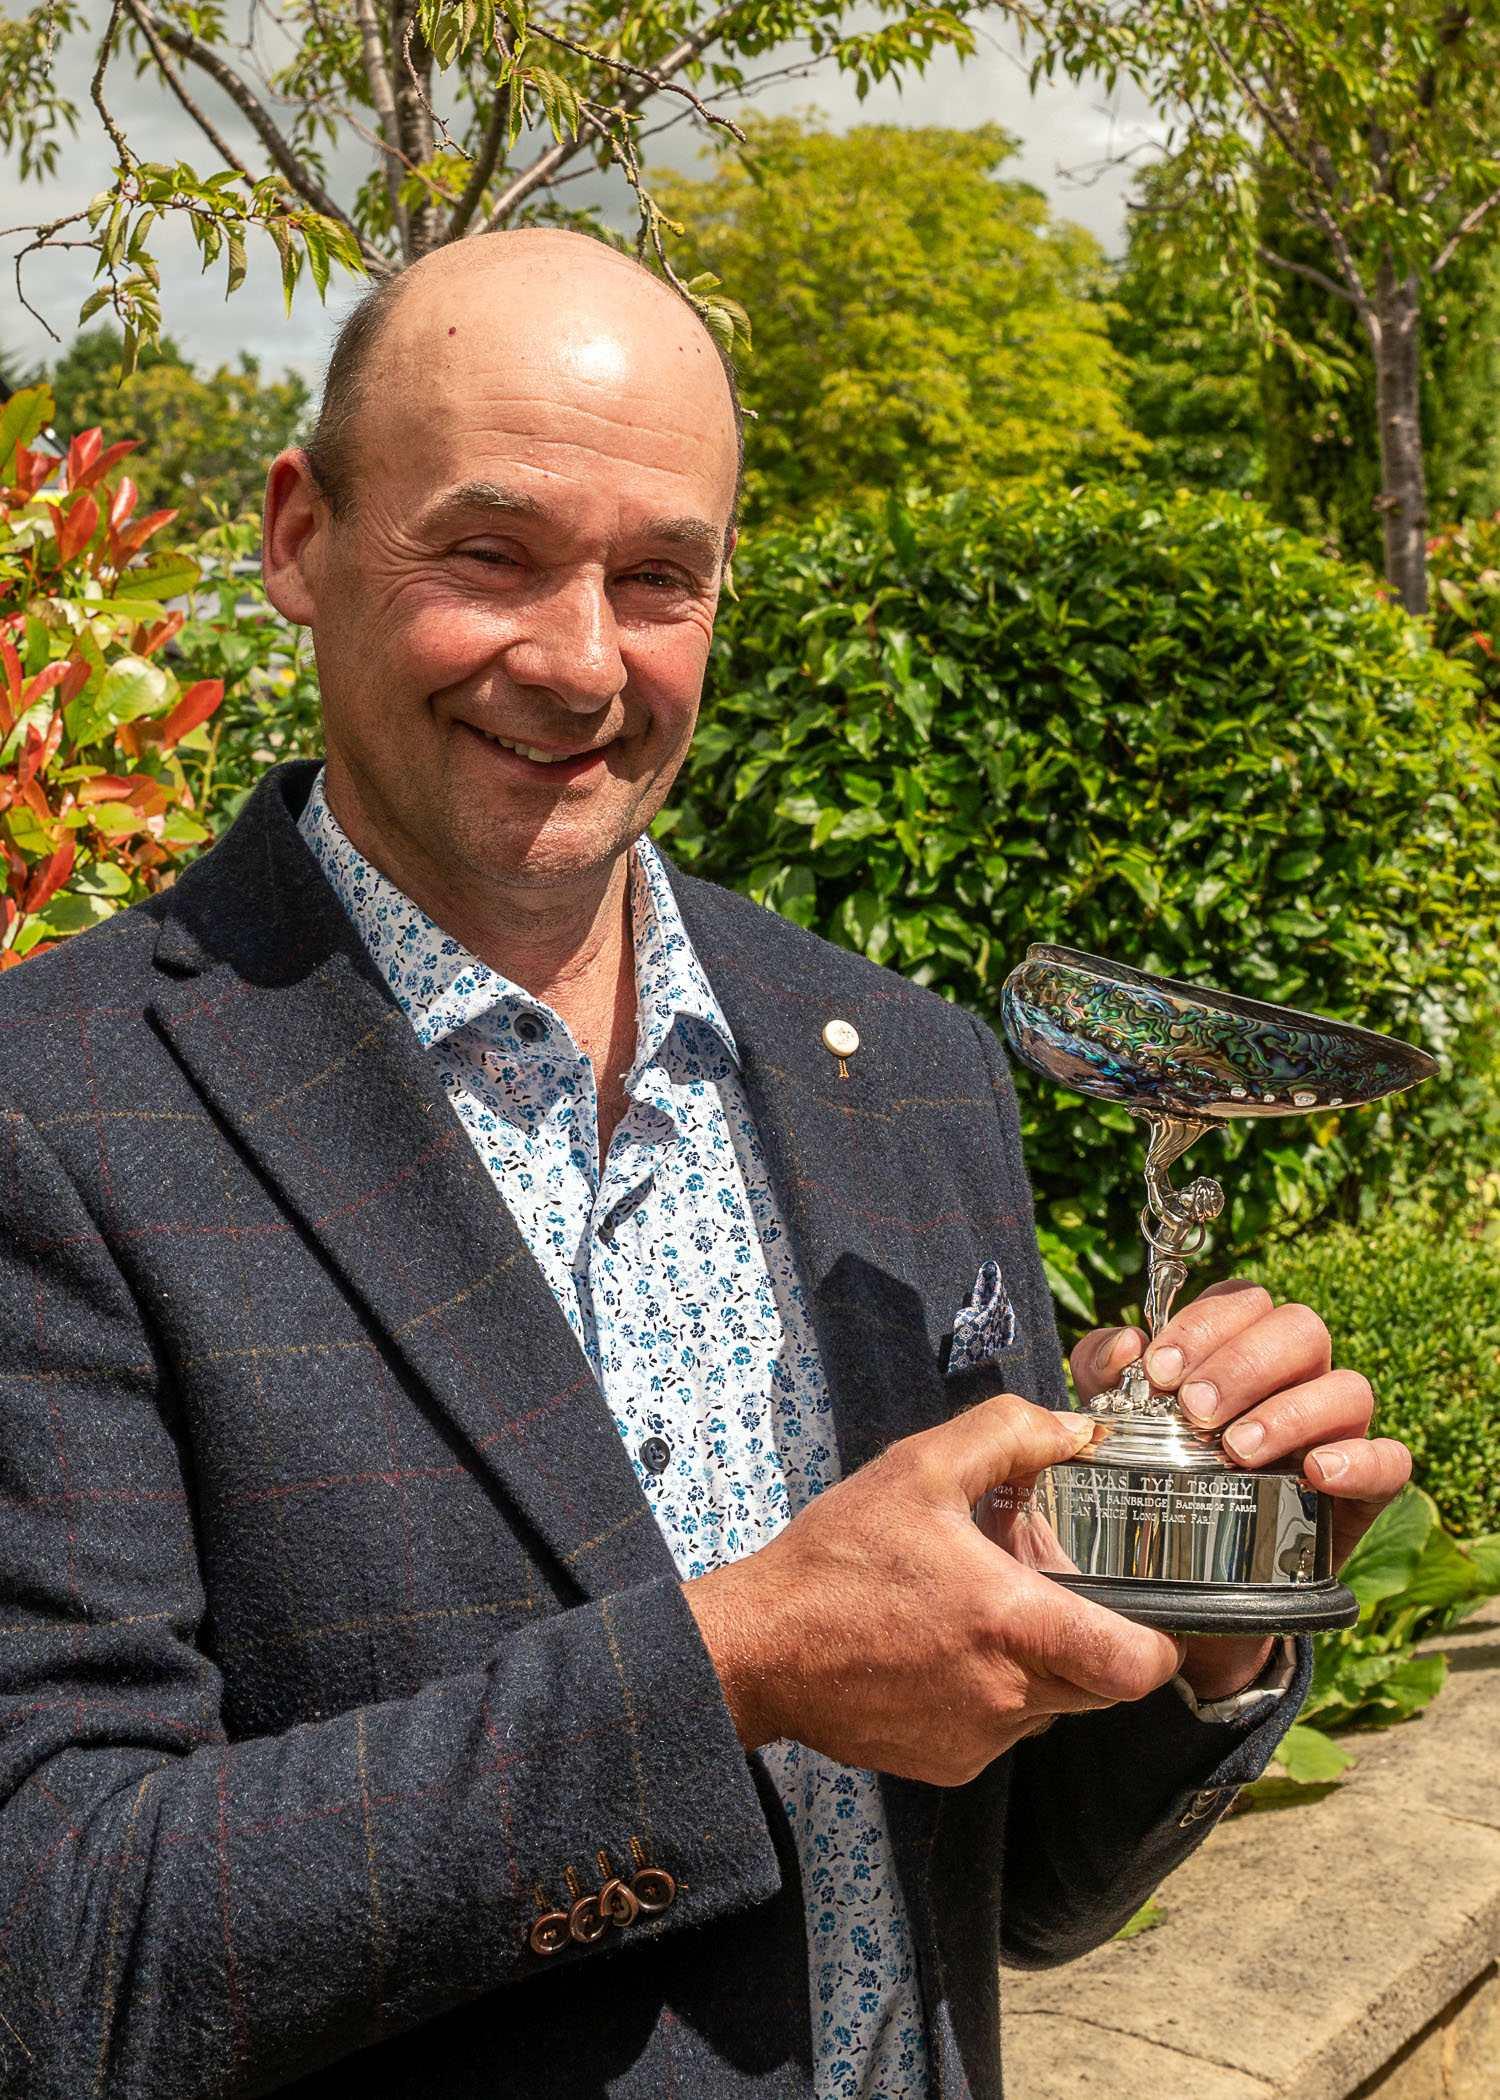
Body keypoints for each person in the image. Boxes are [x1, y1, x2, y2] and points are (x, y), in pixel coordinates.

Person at [0, 230, 1408, 2100]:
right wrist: (732, 1669)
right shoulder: (59, 1108)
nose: (583, 662)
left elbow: (1026, 1894)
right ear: (297, 538)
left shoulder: (903, 1069)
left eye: (657, 577)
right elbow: (65, 1949)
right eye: (488, 555)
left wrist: (1194, 1633)